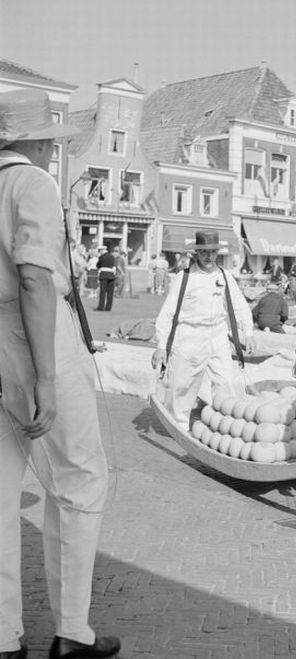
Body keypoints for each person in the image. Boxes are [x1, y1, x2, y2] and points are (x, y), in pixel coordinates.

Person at [0, 88, 120, 659]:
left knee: (0, 490)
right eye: (54, 141)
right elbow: (34, 279)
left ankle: (3, 635)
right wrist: (46, 377)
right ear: (41, 140)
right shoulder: (33, 184)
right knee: (79, 480)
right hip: (34, 336)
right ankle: (72, 631)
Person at [151, 230, 256, 428]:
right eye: (204, 252)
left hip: (217, 333)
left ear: (218, 253)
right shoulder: (184, 277)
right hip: (189, 334)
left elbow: (239, 304)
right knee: (183, 383)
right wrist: (161, 345)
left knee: (224, 379)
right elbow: (167, 313)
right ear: (196, 253)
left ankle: (223, 423)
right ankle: (178, 425)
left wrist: (248, 332)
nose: (209, 257)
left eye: (212, 252)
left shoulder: (225, 276)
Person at [95, 246, 116, 311]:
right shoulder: (112, 257)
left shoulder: (102, 257)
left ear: (102, 250)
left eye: (100, 251)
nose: (99, 252)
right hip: (111, 275)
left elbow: (98, 265)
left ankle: (101, 307)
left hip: (104, 275)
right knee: (110, 293)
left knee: (103, 292)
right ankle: (108, 307)